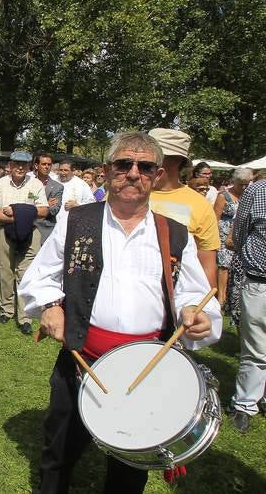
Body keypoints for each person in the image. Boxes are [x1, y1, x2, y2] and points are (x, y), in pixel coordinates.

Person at [19, 131, 221, 494]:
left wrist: (197, 313)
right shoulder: (76, 221)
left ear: (157, 176)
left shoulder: (174, 234)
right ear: (108, 169)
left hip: (147, 370)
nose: (133, 173)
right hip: (81, 360)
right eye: (124, 164)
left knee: (130, 465)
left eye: (145, 167)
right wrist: (50, 306)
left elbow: (194, 293)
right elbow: (40, 276)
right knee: (59, 449)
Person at [148, 128, 221, 288]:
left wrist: (200, 307)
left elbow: (207, 268)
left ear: (176, 161)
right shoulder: (124, 195)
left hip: (178, 298)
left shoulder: (199, 205)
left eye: (152, 154)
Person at [0, 151, 48, 334]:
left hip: (30, 232)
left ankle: (25, 317)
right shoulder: (0, 184)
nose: (20, 168)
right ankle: (6, 310)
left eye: (24, 164)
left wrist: (15, 212)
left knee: (26, 274)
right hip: (3, 232)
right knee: (5, 272)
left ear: (30, 166)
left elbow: (44, 211)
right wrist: (24, 214)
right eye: (16, 164)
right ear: (10, 166)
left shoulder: (36, 184)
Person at [227, 177, 266, 433]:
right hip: (259, 281)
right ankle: (244, 405)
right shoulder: (258, 189)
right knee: (255, 347)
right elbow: (238, 232)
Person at [214, 168, 253, 306]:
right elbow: (215, 218)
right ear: (234, 182)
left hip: (241, 234)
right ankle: (221, 297)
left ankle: (234, 298)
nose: (243, 187)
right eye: (240, 184)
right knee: (224, 264)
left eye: (246, 184)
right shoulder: (223, 196)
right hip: (224, 235)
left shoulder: (248, 195)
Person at [32, 152, 63, 245]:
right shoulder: (28, 183)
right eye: (44, 164)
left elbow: (54, 209)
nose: (47, 167)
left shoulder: (57, 187)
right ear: (36, 166)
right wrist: (46, 203)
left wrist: (34, 204)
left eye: (49, 164)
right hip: (28, 224)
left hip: (46, 228)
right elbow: (24, 202)